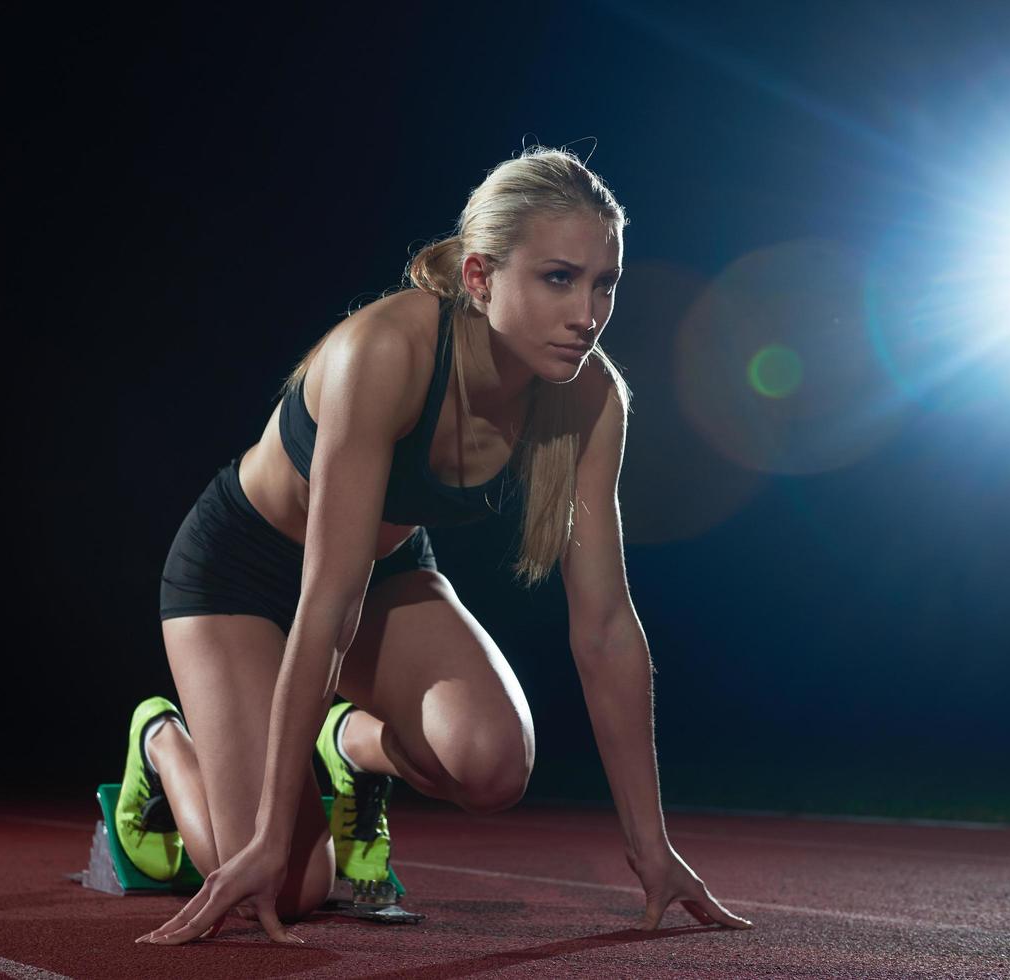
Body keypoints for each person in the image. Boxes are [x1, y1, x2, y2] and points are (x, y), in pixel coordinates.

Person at [127, 145, 755, 946]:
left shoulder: (590, 398)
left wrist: (652, 846)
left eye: (604, 284)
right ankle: (162, 740)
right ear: (480, 278)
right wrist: (260, 841)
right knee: (283, 880)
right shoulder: (384, 353)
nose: (586, 313)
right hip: (239, 575)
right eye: (557, 278)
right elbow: (326, 602)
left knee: (493, 766)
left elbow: (603, 628)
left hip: (381, 573)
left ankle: (346, 744)